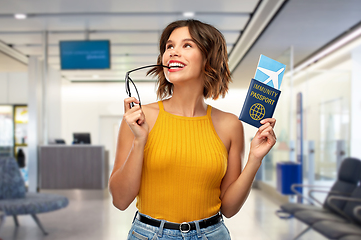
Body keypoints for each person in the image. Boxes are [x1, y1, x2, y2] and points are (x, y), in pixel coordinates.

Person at [109, 19, 276, 240]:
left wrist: (255, 159)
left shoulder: (230, 125)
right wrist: (140, 141)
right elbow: (120, 201)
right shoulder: (140, 118)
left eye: (187, 45)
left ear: (208, 58)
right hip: (148, 235)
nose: (173, 52)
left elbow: (229, 208)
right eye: (169, 46)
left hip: (212, 234)